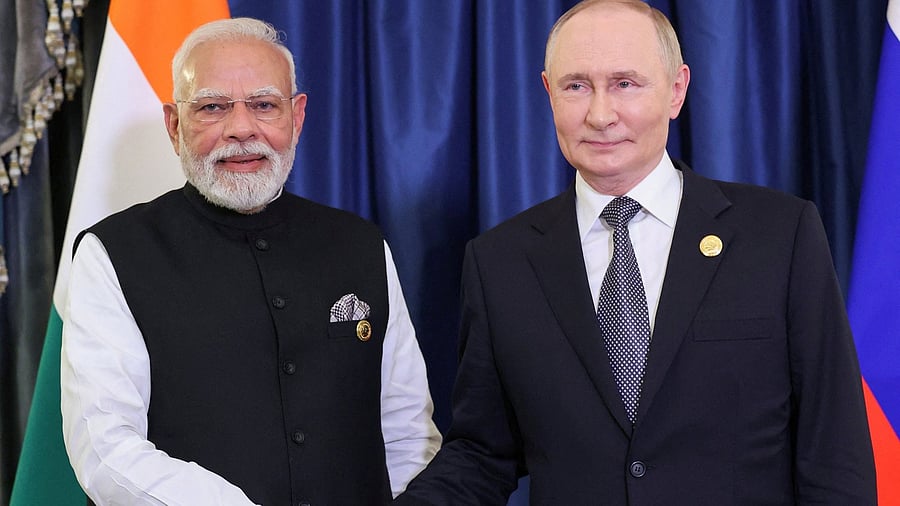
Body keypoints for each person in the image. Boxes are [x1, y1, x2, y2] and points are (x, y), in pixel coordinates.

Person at [397, 1, 876, 504]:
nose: (601, 115)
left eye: (625, 83)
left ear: (676, 90)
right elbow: (481, 454)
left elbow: (834, 452)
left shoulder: (779, 235)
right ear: (548, 92)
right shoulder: (499, 262)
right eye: (576, 86)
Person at [60, 17, 440, 506]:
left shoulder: (360, 244)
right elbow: (105, 448)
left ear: (296, 118)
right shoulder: (112, 253)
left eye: (264, 105)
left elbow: (407, 435)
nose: (241, 129)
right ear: (174, 126)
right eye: (212, 107)